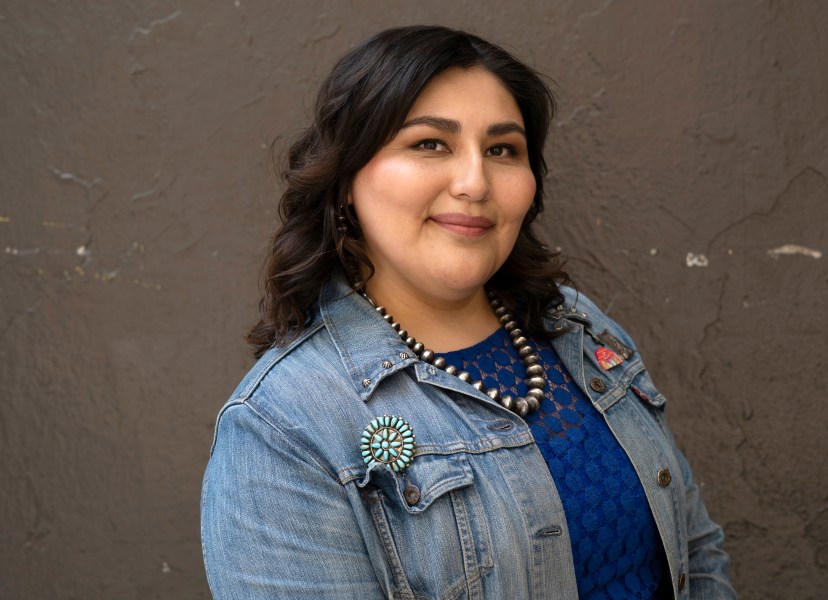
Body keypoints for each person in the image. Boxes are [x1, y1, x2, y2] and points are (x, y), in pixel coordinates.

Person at [201, 25, 736, 600]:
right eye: (430, 144)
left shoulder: (575, 326)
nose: (475, 182)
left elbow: (694, 548)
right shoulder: (285, 426)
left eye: (502, 149)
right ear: (346, 178)